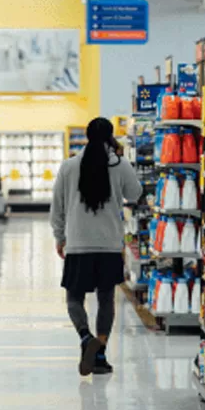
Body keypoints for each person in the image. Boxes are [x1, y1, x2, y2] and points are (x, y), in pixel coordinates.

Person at [50, 117, 143, 376]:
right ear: (111, 136)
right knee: (105, 299)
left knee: (74, 298)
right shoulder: (119, 164)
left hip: (78, 243)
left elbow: (56, 207)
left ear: (88, 136)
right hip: (110, 244)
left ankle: (84, 337)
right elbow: (135, 194)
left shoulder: (69, 166)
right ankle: (100, 354)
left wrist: (60, 237)